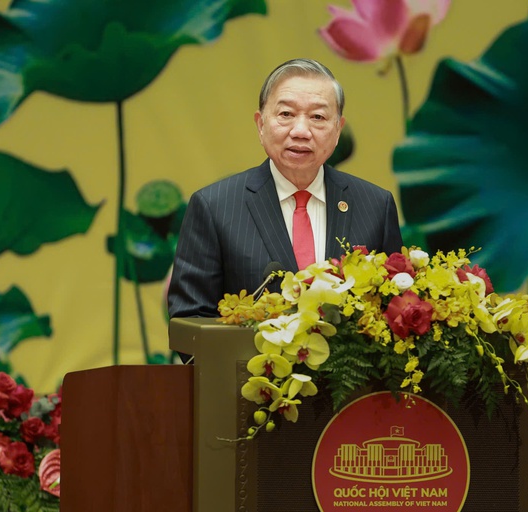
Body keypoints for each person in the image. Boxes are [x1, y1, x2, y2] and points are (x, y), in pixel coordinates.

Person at [168, 58, 403, 320]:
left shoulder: (375, 206)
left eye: (318, 117)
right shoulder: (214, 207)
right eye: (286, 114)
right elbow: (190, 320)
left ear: (338, 130)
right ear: (261, 125)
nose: (301, 131)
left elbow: (394, 313)